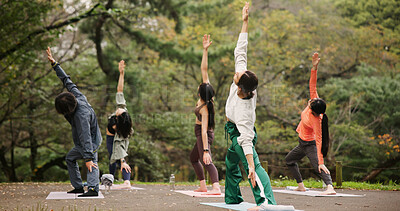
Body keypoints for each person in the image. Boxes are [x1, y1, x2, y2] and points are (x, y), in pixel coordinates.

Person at [224, 2, 278, 210]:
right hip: (232, 130)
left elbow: (246, 140)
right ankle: (233, 198)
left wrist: (251, 164)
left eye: (238, 75)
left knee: (253, 167)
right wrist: (245, 22)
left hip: (241, 133)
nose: (236, 72)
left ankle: (266, 203)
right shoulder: (243, 84)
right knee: (230, 162)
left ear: (241, 87)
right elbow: (241, 52)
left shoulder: (244, 111)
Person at [46, 47, 102, 197]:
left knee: (91, 163)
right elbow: (67, 80)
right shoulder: (75, 95)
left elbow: (86, 138)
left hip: (91, 141)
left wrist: (88, 158)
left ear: (67, 110)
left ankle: (92, 189)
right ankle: (78, 187)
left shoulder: (80, 116)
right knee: (70, 158)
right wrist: (55, 64)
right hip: (83, 140)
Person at [285, 52, 336, 195]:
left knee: (317, 167)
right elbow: (312, 85)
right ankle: (300, 185)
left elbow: (319, 141)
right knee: (289, 160)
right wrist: (314, 68)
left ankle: (330, 187)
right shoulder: (315, 100)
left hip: (309, 144)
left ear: (313, 111)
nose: (310, 101)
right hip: (301, 142)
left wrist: (321, 161)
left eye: (311, 103)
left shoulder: (316, 121)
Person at [189, 34, 221, 194]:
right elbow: (204, 69)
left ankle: (216, 187)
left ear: (200, 93)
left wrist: (207, 150)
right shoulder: (207, 95)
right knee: (193, 158)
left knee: (206, 160)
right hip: (199, 132)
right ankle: (203, 185)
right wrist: (205, 50)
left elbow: (204, 131)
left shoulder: (204, 108)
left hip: (204, 134)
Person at [106, 60, 134, 189]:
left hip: (115, 139)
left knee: (118, 157)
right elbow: (120, 90)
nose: (119, 109)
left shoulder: (118, 130)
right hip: (110, 138)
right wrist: (121, 73)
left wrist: (123, 161)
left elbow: (120, 149)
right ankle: (110, 179)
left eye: (119, 111)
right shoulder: (123, 112)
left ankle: (126, 181)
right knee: (112, 159)